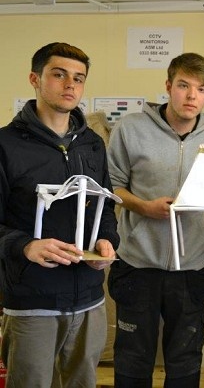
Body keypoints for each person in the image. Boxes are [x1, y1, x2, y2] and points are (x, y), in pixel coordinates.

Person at [0, 42, 119, 387]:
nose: (70, 85)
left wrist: (107, 241)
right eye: (59, 74)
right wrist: (25, 245)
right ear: (34, 79)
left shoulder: (92, 144)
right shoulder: (6, 145)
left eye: (78, 78)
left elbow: (105, 205)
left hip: (89, 300)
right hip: (32, 304)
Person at [107, 52, 204, 388]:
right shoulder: (130, 128)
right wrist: (144, 207)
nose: (192, 96)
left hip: (190, 266)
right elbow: (112, 186)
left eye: (201, 89)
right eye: (184, 86)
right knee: (132, 358)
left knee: (186, 359)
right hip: (137, 262)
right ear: (168, 86)